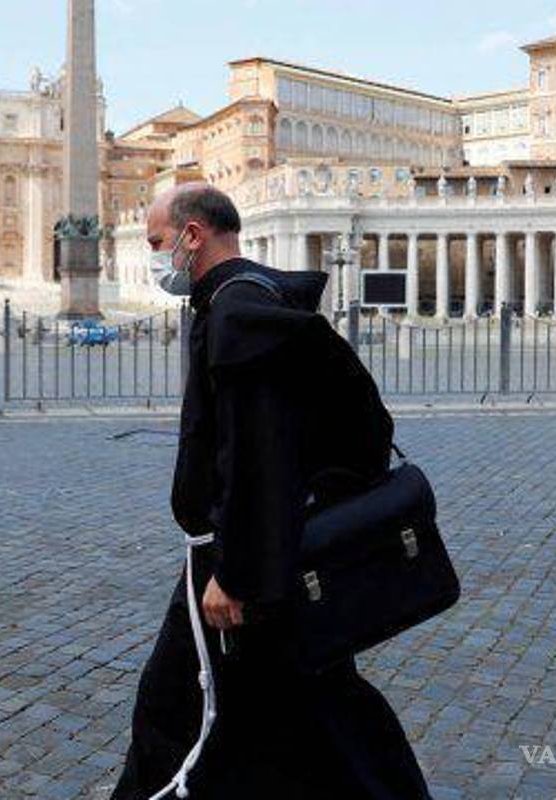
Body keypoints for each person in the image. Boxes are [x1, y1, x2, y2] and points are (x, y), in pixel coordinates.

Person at [110, 183, 433, 799]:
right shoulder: (252, 298)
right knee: (309, 701)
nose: (156, 257)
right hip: (263, 546)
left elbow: (260, 453)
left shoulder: (236, 317)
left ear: (193, 235)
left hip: (240, 555)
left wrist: (233, 571)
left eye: (157, 242)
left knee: (171, 705)